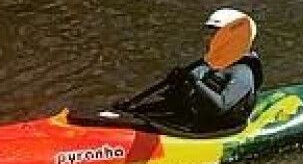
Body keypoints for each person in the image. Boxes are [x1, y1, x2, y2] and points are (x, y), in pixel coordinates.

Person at [97, 8, 263, 138]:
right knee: (138, 116)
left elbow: (221, 107)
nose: (209, 39)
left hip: (216, 130)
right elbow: (176, 101)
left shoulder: (243, 72)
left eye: (215, 34)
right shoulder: (208, 64)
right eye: (210, 33)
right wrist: (136, 108)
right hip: (196, 120)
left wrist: (193, 82)